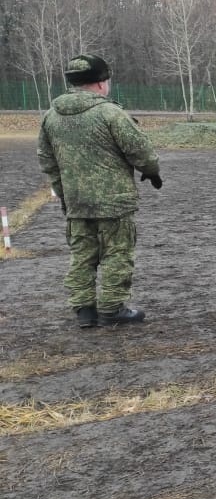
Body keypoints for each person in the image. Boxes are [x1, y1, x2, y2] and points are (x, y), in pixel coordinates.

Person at [37, 53, 161, 327]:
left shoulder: (51, 116)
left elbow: (47, 160)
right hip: (114, 203)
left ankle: (85, 311)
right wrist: (151, 172)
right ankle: (112, 308)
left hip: (77, 203)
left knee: (82, 255)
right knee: (117, 253)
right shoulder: (110, 113)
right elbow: (141, 151)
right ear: (101, 83)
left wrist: (64, 193)